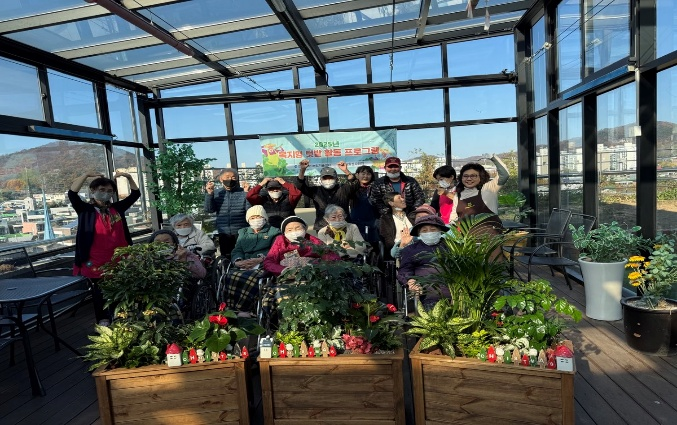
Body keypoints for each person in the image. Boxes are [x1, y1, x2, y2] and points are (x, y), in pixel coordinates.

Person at [69, 171, 140, 326]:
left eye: (109, 191)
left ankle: (121, 318)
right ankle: (104, 320)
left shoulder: (117, 208)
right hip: (94, 260)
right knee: (100, 291)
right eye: (102, 190)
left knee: (121, 288)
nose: (106, 193)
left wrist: (128, 177)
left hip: (120, 258)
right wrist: (85, 175)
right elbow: (72, 194)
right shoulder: (85, 209)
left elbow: (135, 194)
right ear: (93, 191)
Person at [223, 205, 280, 313]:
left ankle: (243, 309)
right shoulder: (243, 232)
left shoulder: (274, 232)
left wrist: (260, 259)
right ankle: (230, 307)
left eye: (258, 217)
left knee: (250, 278)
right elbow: (237, 249)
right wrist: (238, 261)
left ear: (264, 218)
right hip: (244, 264)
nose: (256, 220)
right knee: (230, 276)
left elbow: (275, 250)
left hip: (263, 264)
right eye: (252, 218)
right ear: (248, 220)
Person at [397, 215, 450, 309]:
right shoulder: (411, 250)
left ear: (440, 231)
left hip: (454, 295)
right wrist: (410, 281)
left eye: (433, 229)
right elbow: (404, 271)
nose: (429, 233)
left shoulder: (451, 247)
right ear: (419, 233)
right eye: (424, 230)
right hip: (427, 296)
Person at [449, 155, 509, 232]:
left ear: (481, 177)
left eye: (473, 176)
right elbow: (454, 218)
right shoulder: (458, 195)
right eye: (465, 176)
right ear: (461, 178)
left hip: (490, 237)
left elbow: (504, 175)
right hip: (467, 238)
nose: (469, 179)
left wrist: (493, 157)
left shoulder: (488, 189)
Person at [263, 216, 339, 276]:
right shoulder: (280, 241)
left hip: (312, 273)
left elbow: (330, 254)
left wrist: (320, 267)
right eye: (289, 230)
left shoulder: (313, 240)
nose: (294, 232)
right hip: (288, 276)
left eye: (297, 228)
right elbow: (269, 261)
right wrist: (284, 270)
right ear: (284, 233)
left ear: (304, 229)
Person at [294, 159, 353, 230]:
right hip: (322, 228)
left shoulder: (343, 189)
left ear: (336, 179)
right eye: (325, 178)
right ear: (321, 179)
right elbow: (300, 186)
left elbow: (353, 184)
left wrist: (346, 171)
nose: (328, 180)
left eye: (331, 178)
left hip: (344, 226)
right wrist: (302, 170)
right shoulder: (315, 191)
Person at [204, 168, 250, 258]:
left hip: (241, 231)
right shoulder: (216, 193)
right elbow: (209, 210)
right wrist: (209, 194)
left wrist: (247, 193)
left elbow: (249, 210)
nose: (230, 180)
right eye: (227, 177)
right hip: (223, 232)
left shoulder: (243, 192)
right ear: (221, 179)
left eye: (233, 178)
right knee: (226, 257)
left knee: (242, 257)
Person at [336, 164, 380, 249]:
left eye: (368, 174)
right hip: (356, 220)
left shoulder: (376, 187)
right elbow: (351, 183)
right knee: (358, 245)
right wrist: (346, 171)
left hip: (374, 221)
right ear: (357, 175)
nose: (365, 176)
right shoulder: (353, 188)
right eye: (363, 174)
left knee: (374, 245)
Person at [379, 192, 413, 261]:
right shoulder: (386, 219)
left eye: (402, 197)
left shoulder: (411, 215)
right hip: (398, 250)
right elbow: (388, 241)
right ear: (391, 203)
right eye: (399, 198)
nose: (403, 199)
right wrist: (400, 245)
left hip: (415, 247)